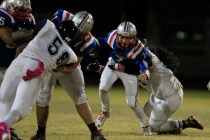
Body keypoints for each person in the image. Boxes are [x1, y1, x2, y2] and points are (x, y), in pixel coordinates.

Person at [86, 41, 204, 134]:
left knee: (153, 127)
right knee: (147, 111)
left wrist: (115, 66)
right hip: (159, 95)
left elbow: (130, 69)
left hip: (171, 96)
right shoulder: (133, 62)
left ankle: (184, 123)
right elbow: (120, 73)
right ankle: (170, 126)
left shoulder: (148, 59)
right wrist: (100, 69)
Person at [0, 13, 79, 140]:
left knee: (4, 98)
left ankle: (4, 132)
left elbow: (34, 31)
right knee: (21, 110)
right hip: (36, 70)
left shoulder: (49, 25)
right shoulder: (71, 55)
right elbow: (59, 67)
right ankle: (4, 126)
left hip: (20, 61)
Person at [30, 9, 106, 140]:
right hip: (47, 61)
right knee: (43, 97)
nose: (77, 34)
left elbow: (73, 66)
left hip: (65, 65)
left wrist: (60, 68)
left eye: (81, 33)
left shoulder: (88, 41)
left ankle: (94, 132)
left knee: (79, 95)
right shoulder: (61, 16)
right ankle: (40, 134)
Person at [90, 21, 152, 136]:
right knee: (103, 88)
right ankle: (105, 112)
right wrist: (92, 42)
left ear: (133, 38)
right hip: (113, 65)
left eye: (128, 38)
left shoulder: (138, 48)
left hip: (128, 71)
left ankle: (145, 124)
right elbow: (103, 40)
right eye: (122, 37)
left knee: (132, 103)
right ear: (118, 35)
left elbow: (144, 64)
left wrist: (145, 73)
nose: (124, 41)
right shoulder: (112, 37)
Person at [0, 0, 35, 139]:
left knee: (9, 100)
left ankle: (5, 128)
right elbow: (8, 40)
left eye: (26, 11)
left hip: (8, 67)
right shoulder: (3, 15)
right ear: (9, 7)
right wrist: (31, 33)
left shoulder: (28, 20)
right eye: (20, 10)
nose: (24, 14)